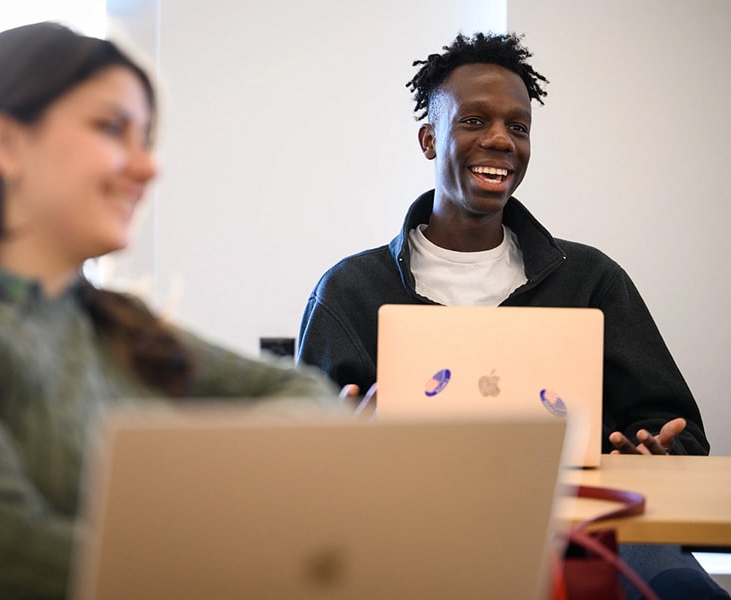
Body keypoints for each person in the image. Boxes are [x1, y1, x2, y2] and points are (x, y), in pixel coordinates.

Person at [0, 22, 342, 599]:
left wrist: (212, 484)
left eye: (145, 139)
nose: (148, 167)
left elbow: (306, 395)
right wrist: (238, 552)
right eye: (111, 128)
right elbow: (9, 567)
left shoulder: (110, 320)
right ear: (6, 143)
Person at [296, 32, 727, 599]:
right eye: (474, 121)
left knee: (683, 590)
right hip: (409, 539)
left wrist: (654, 453)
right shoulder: (350, 291)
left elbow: (681, 436)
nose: (500, 140)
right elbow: (300, 474)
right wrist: (351, 448)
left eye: (518, 127)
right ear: (430, 139)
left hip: (579, 533)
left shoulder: (592, 279)